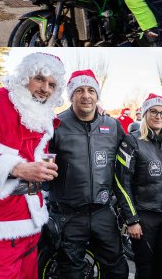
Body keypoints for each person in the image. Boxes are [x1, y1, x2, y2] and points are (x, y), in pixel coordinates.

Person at [0, 52, 65, 279]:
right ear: (25, 76)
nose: (45, 89)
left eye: (51, 85)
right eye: (39, 79)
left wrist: (40, 172)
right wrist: (16, 168)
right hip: (0, 227)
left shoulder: (42, 115)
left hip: (33, 223)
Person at [47, 69, 129, 278]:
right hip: (68, 214)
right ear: (71, 95)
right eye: (80, 90)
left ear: (97, 95)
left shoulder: (111, 125)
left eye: (91, 90)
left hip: (103, 211)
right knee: (71, 270)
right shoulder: (55, 124)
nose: (86, 95)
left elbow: (134, 152)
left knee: (116, 267)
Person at [116, 93, 162, 279]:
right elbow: (121, 182)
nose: (158, 116)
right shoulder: (131, 141)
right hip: (143, 217)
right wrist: (132, 219)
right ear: (145, 114)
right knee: (146, 268)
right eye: (153, 112)